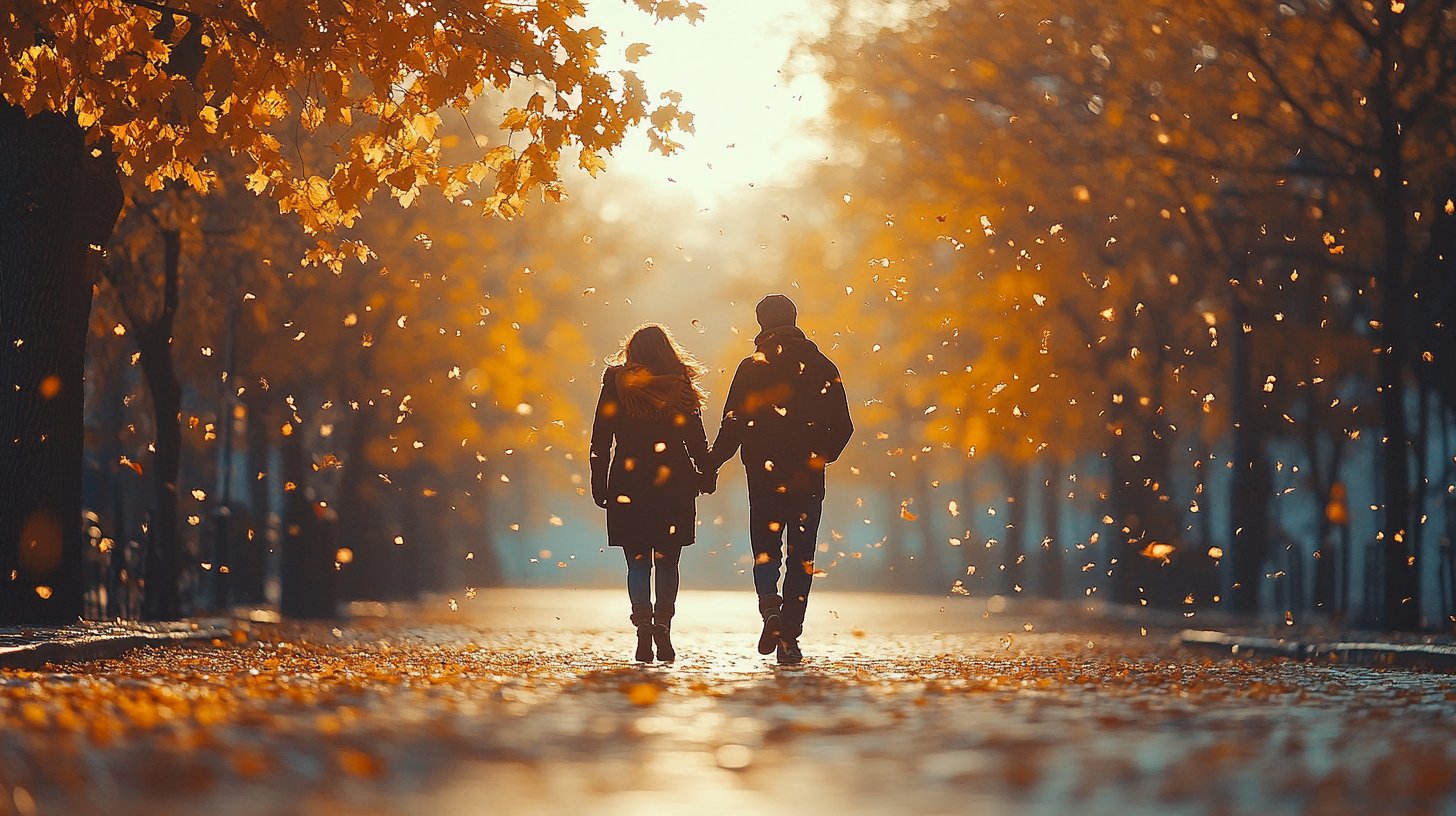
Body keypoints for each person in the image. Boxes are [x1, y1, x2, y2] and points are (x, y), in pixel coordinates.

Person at [704, 294, 853, 665]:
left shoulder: (752, 367)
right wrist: (819, 457)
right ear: (795, 318)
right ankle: (789, 636)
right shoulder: (822, 366)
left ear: (761, 324)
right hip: (808, 479)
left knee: (766, 548)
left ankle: (770, 607)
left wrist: (711, 463)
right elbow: (844, 426)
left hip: (763, 476)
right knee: (802, 556)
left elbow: (733, 423)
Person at [590, 324, 713, 662]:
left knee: (637, 562)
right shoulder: (679, 385)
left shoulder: (616, 384)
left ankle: (643, 625)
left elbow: (601, 438)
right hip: (673, 481)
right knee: (668, 561)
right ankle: (664, 625)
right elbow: (696, 439)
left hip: (628, 481)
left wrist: (599, 483)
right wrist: (707, 474)